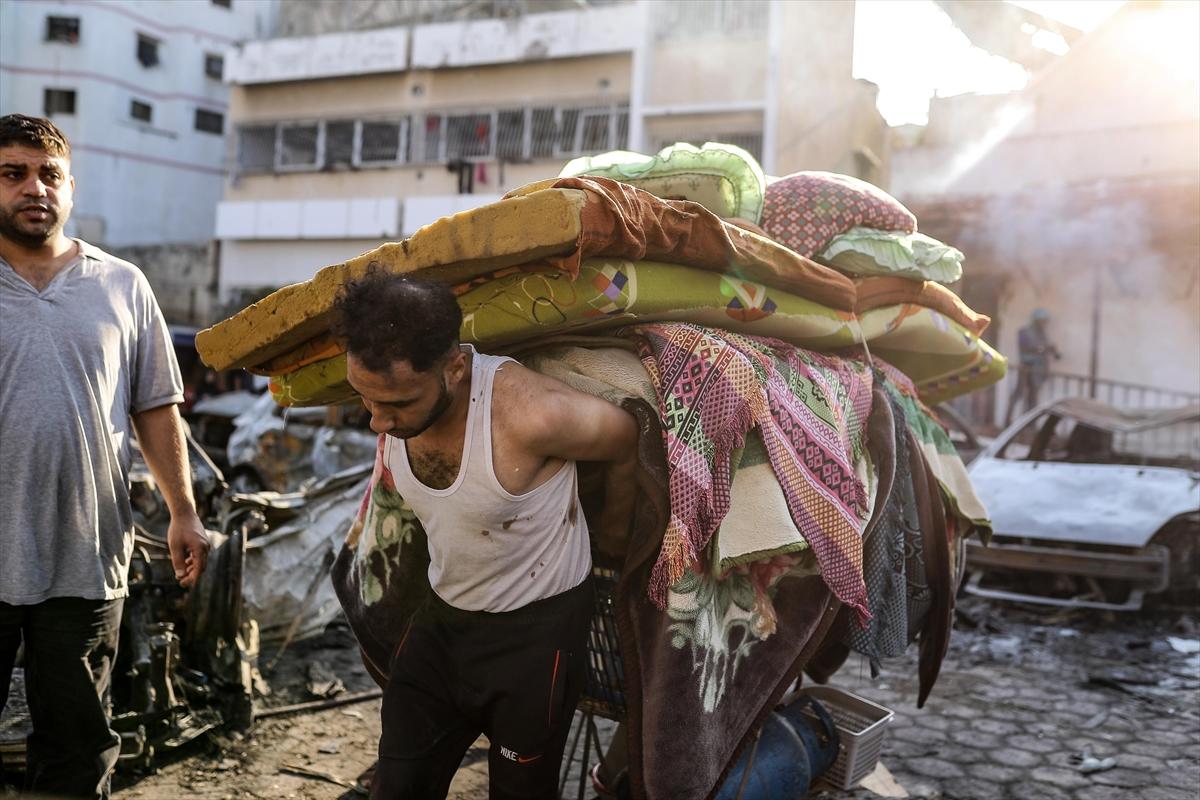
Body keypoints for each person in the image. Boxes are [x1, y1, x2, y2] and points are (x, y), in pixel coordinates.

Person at [333, 272, 639, 799]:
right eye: (366, 399)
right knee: (397, 786)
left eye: (398, 404)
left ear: (454, 368)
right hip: (442, 619)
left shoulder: (532, 414)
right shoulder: (393, 408)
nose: (378, 423)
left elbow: (627, 437)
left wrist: (611, 538)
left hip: (535, 638)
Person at [0, 114, 210, 798]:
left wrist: (183, 511)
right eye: (13, 174)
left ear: (70, 187)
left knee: (77, 747)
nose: (35, 188)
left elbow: (156, 407)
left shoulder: (122, 284)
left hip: (85, 555)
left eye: (50, 174)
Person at [1005, 307, 1062, 426]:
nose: (1043, 324)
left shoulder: (1042, 334)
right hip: (1026, 367)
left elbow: (1045, 348)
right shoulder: (1024, 332)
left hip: (1037, 370)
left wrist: (1052, 351)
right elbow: (1026, 347)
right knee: (1018, 393)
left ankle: (1030, 424)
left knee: (1033, 397)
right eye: (1042, 321)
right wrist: (1044, 348)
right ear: (1036, 320)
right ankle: (1007, 421)